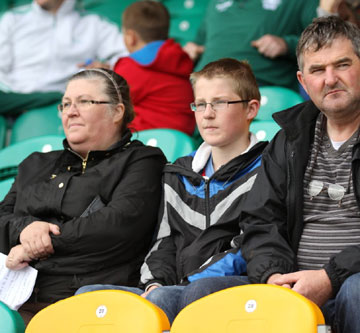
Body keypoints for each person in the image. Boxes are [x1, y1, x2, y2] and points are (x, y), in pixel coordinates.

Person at [197, 17, 360, 332]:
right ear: (303, 81)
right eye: (317, 70)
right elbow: (260, 221)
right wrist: (274, 276)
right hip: (297, 281)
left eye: (342, 65)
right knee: (202, 294)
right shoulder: (290, 139)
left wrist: (331, 276)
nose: (330, 79)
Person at [76, 58, 268, 323]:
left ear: (251, 109)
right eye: (200, 104)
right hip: (173, 286)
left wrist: (187, 282)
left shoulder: (268, 167)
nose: (207, 113)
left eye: (220, 102)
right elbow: (164, 241)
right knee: (89, 296)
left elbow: (250, 244)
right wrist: (155, 283)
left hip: (231, 287)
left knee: (186, 294)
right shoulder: (180, 172)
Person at [0, 69, 166, 324]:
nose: (71, 111)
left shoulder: (142, 161)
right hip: (13, 297)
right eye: (65, 104)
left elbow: (117, 226)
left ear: (117, 112)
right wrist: (27, 230)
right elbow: (2, 219)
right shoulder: (35, 164)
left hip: (88, 304)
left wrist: (40, 244)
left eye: (84, 101)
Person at [0, 0, 127, 114]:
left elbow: (125, 57)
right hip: (17, 99)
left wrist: (106, 68)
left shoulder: (93, 23)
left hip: (72, 99)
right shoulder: (12, 19)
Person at [183, 0, 317, 92]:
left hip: (258, 87)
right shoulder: (215, 2)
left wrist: (286, 44)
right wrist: (191, 49)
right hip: (202, 86)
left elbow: (322, 42)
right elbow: (199, 42)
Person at [116, 1, 195, 135]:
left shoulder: (131, 66)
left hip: (145, 141)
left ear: (131, 37)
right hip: (178, 143)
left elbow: (106, 100)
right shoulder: (179, 58)